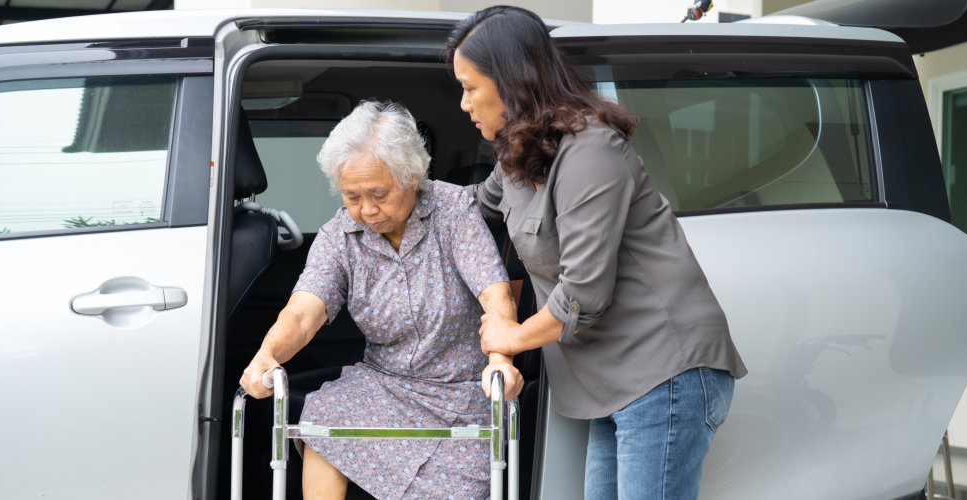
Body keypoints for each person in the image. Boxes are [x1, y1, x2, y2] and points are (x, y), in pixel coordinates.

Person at [446, 6, 748, 500]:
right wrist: (390, 193)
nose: (463, 103)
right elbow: (467, 209)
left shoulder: (590, 151)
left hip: (663, 374)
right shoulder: (519, 157)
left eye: (470, 86)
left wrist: (513, 336)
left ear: (511, 81)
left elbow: (584, 294)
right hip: (611, 385)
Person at [236, 101, 524, 500]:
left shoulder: (454, 211)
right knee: (323, 418)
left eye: (379, 194)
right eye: (352, 196)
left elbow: (494, 293)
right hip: (384, 387)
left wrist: (500, 360)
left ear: (412, 176)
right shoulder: (339, 236)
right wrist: (268, 354)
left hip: (462, 391)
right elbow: (303, 312)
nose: (367, 210)